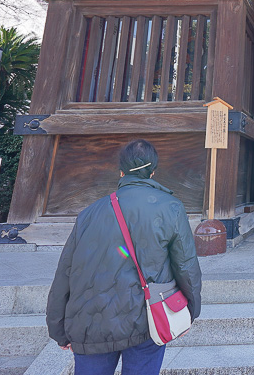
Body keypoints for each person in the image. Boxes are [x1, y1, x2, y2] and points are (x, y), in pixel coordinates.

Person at [46, 139, 202, 375]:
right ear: (153, 172)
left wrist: (57, 328)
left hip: (90, 322)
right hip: (145, 318)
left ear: (121, 172)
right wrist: (189, 310)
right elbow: (186, 265)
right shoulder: (171, 207)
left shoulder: (88, 214)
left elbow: (65, 272)